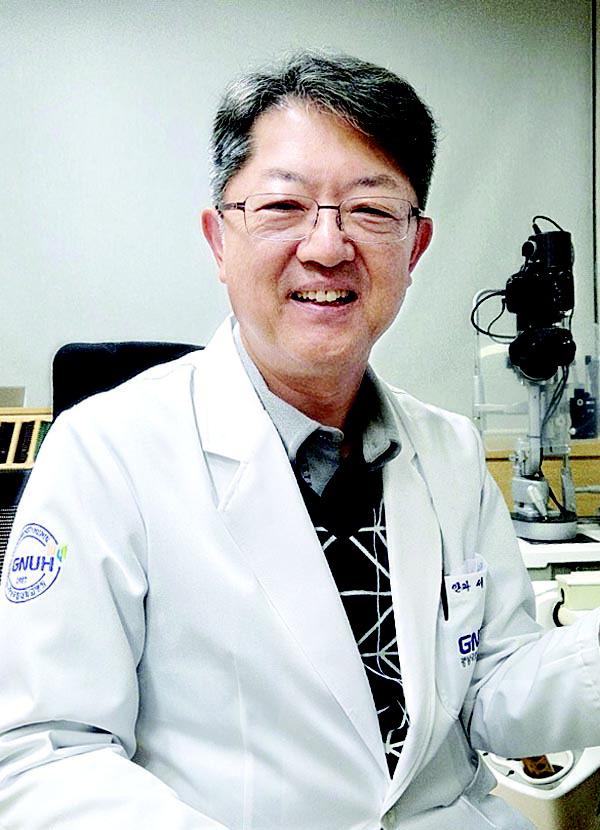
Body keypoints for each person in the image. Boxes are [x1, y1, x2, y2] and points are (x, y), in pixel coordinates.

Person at [1, 50, 599, 830]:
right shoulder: (104, 454)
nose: (326, 247)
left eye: (371, 210)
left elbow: (491, 690)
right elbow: (47, 755)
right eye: (284, 206)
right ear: (219, 240)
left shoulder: (450, 451)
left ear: (415, 249)